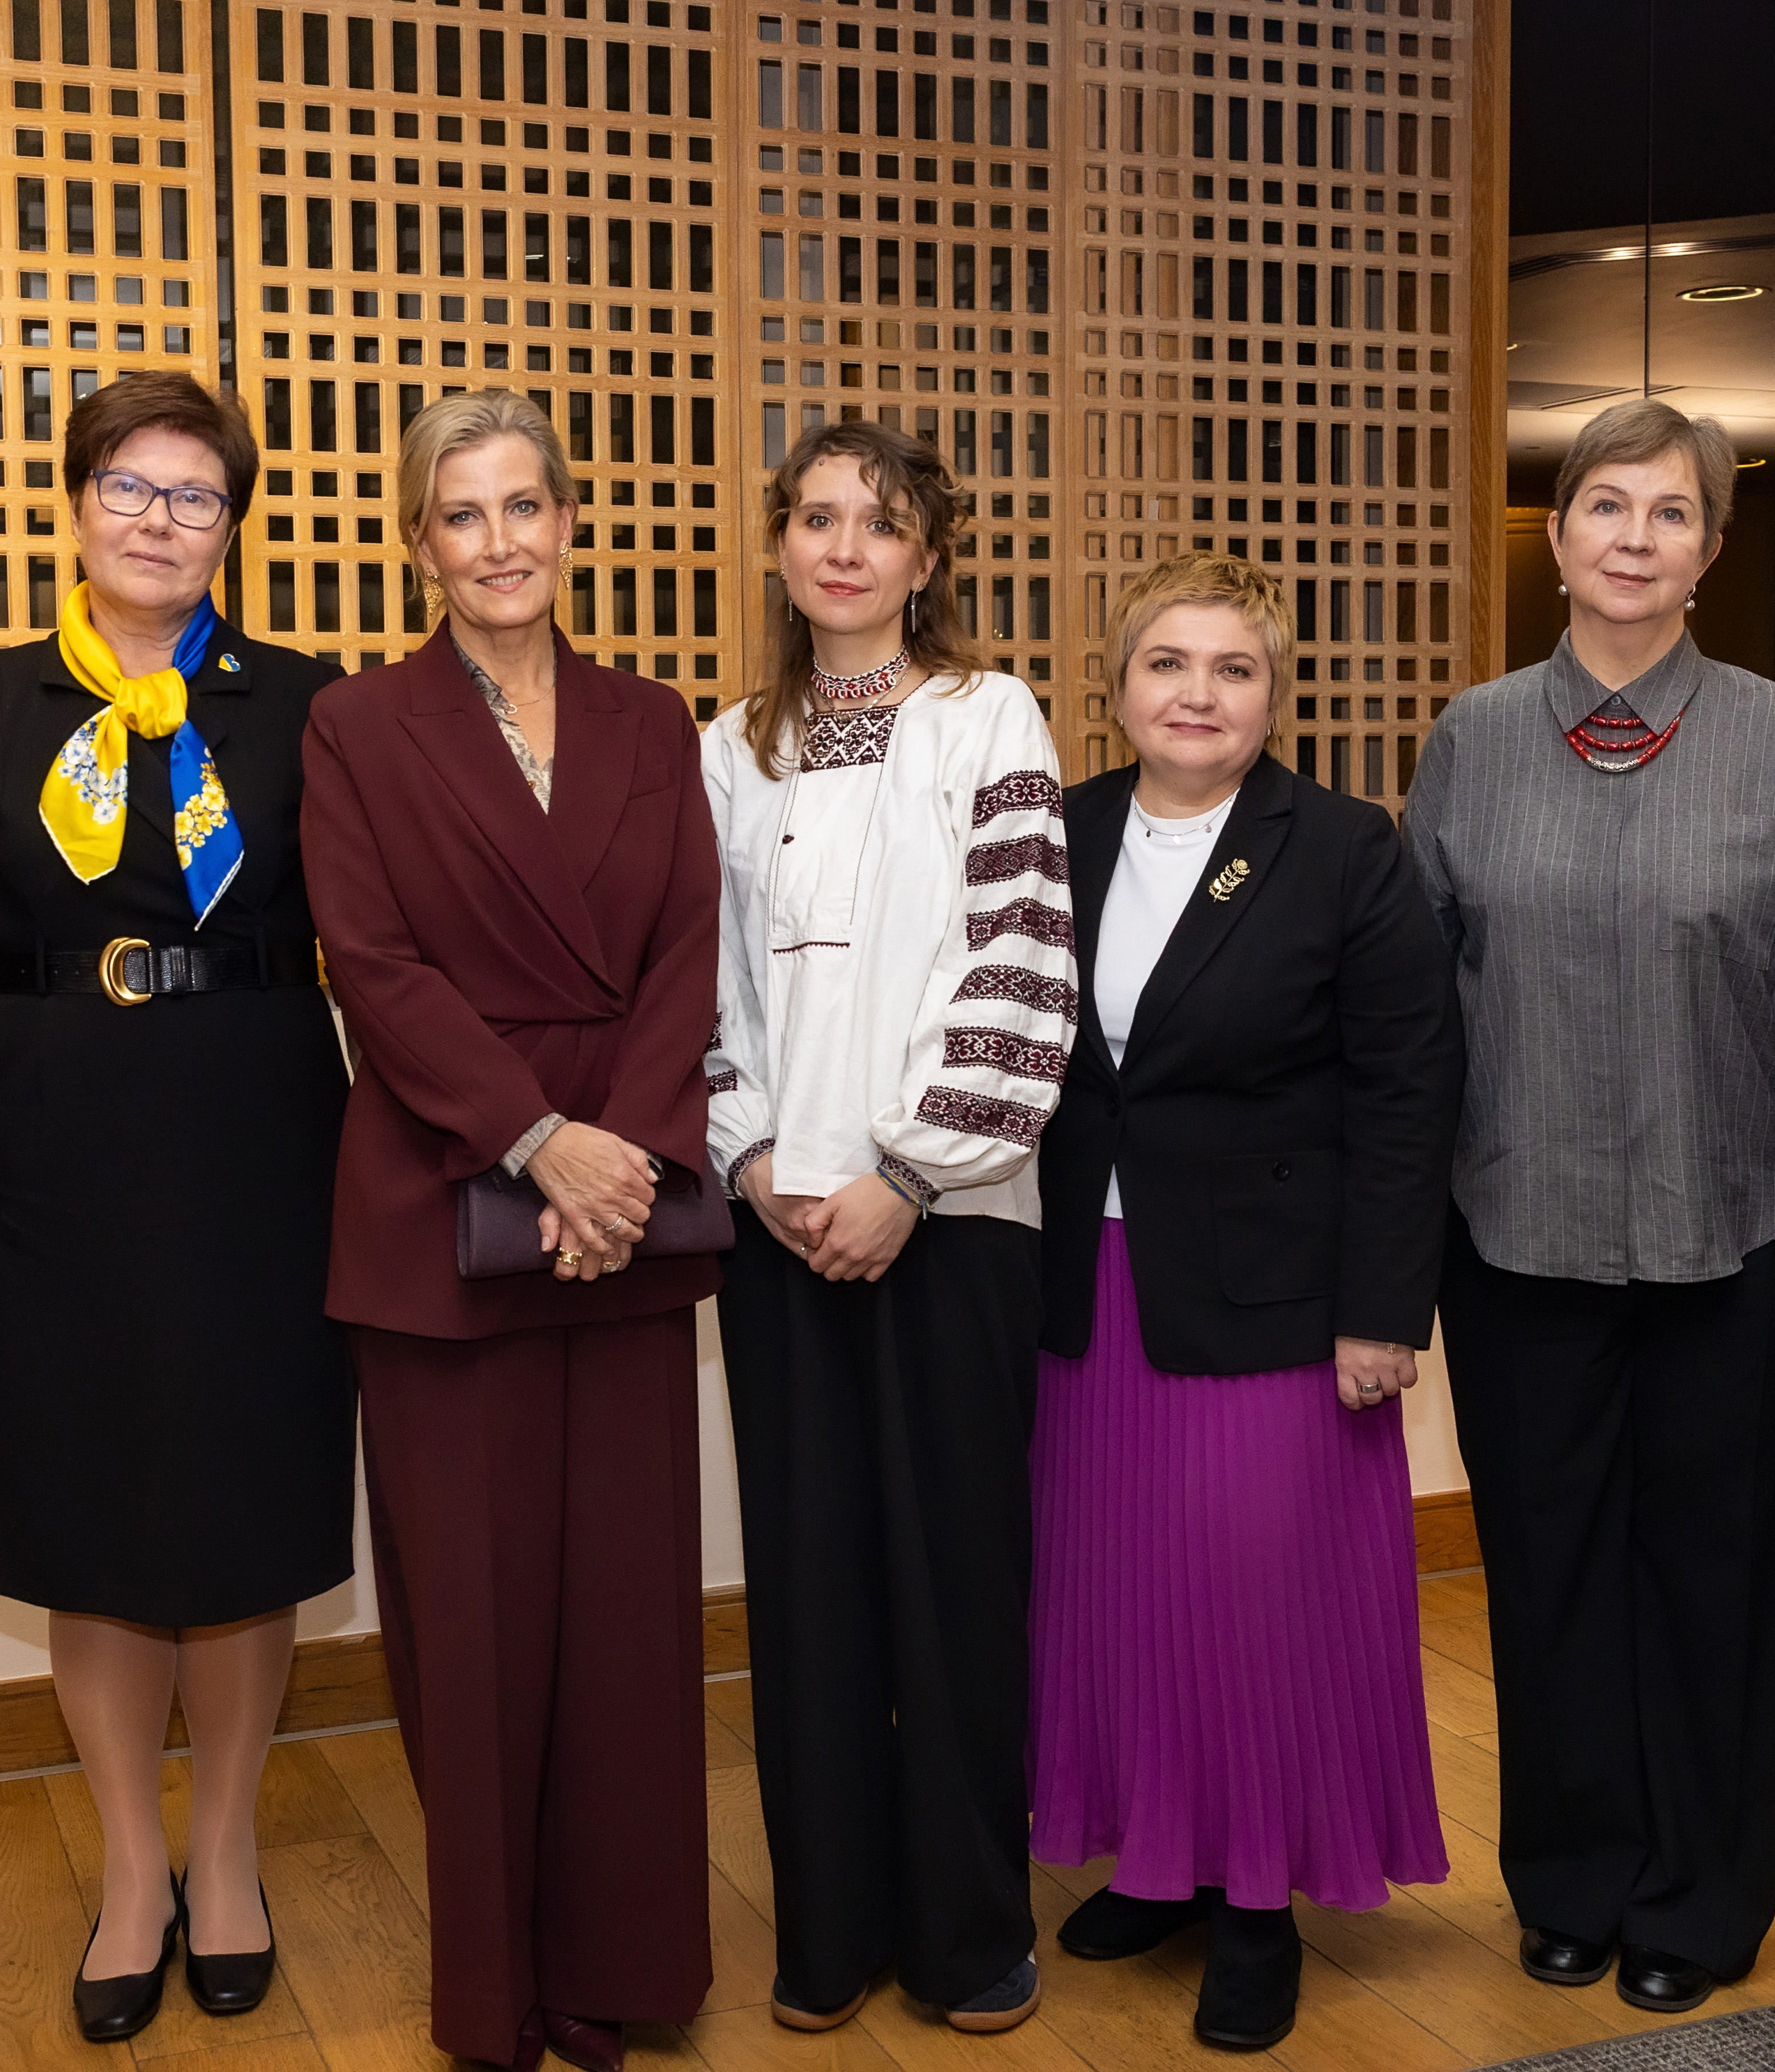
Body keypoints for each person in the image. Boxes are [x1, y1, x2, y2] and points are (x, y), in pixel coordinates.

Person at [1399, 398, 1775, 2016]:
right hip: (1515, 1237)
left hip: (1735, 1246)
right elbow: (1418, 1008)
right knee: (1545, 1575)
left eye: (1668, 514)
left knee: (1721, 1586)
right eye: (1603, 506)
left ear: (1707, 551)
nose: (1633, 537)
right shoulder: (1472, 738)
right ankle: (1569, 1878)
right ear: (1555, 539)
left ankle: (1700, 1897)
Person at [0, 371, 355, 2043]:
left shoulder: (310, 705)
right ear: (76, 504)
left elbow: (371, 945)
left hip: (260, 1122)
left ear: (235, 522)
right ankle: (130, 1870)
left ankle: (223, 1856)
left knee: (244, 1509)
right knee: (90, 1513)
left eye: (197, 497)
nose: (163, 521)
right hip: (53, 1125)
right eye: (132, 489)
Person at [299, 389, 721, 2072]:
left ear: (568, 520)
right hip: (445, 1198)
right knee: (472, 1633)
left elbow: (691, 948)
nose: (501, 542)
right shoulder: (361, 728)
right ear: (421, 545)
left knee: (626, 1620)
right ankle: (495, 1994)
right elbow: (372, 965)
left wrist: (619, 1167)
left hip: (626, 1205)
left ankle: (626, 1963)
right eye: (462, 516)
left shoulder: (651, 718)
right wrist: (540, 1144)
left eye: (524, 506)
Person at [1028, 551, 1463, 2049]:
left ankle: (1262, 1898)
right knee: (1118, 1596)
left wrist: (1384, 1313)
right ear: (1119, 683)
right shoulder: (1058, 831)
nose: (1197, 695)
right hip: (1084, 1278)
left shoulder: (1342, 848)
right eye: (1168, 664)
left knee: (1259, 1608)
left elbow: (1413, 1092)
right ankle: (1159, 1863)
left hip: (1282, 1301)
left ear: (1275, 696)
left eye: (1232, 670)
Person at [705, 418, 1076, 2037]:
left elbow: (1018, 963)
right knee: (808, 1593)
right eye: (818, 519)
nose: (846, 546)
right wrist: (755, 1162)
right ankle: (826, 1936)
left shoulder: (988, 719)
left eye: (882, 522)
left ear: (929, 558)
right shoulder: (732, 748)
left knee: (954, 1585)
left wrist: (907, 1174)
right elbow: (702, 990)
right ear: (781, 550)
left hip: (955, 1221)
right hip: (780, 1224)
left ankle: (969, 1935)